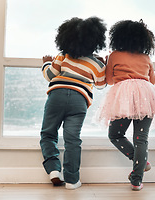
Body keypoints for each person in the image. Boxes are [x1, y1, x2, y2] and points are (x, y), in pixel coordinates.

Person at [96, 19, 155, 191]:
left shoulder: (114, 55)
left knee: (115, 135)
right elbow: (152, 81)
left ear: (119, 37)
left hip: (123, 98)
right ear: (144, 40)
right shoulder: (146, 57)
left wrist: (108, 62)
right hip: (146, 97)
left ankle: (139, 162)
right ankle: (136, 180)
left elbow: (108, 80)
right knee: (141, 139)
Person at [40, 16, 107, 190]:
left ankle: (54, 170)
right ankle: (71, 179)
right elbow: (101, 85)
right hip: (80, 100)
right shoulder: (96, 64)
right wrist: (102, 65)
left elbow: (49, 75)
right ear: (95, 42)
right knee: (72, 139)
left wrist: (46, 62)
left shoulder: (63, 56)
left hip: (57, 95)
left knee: (48, 133)